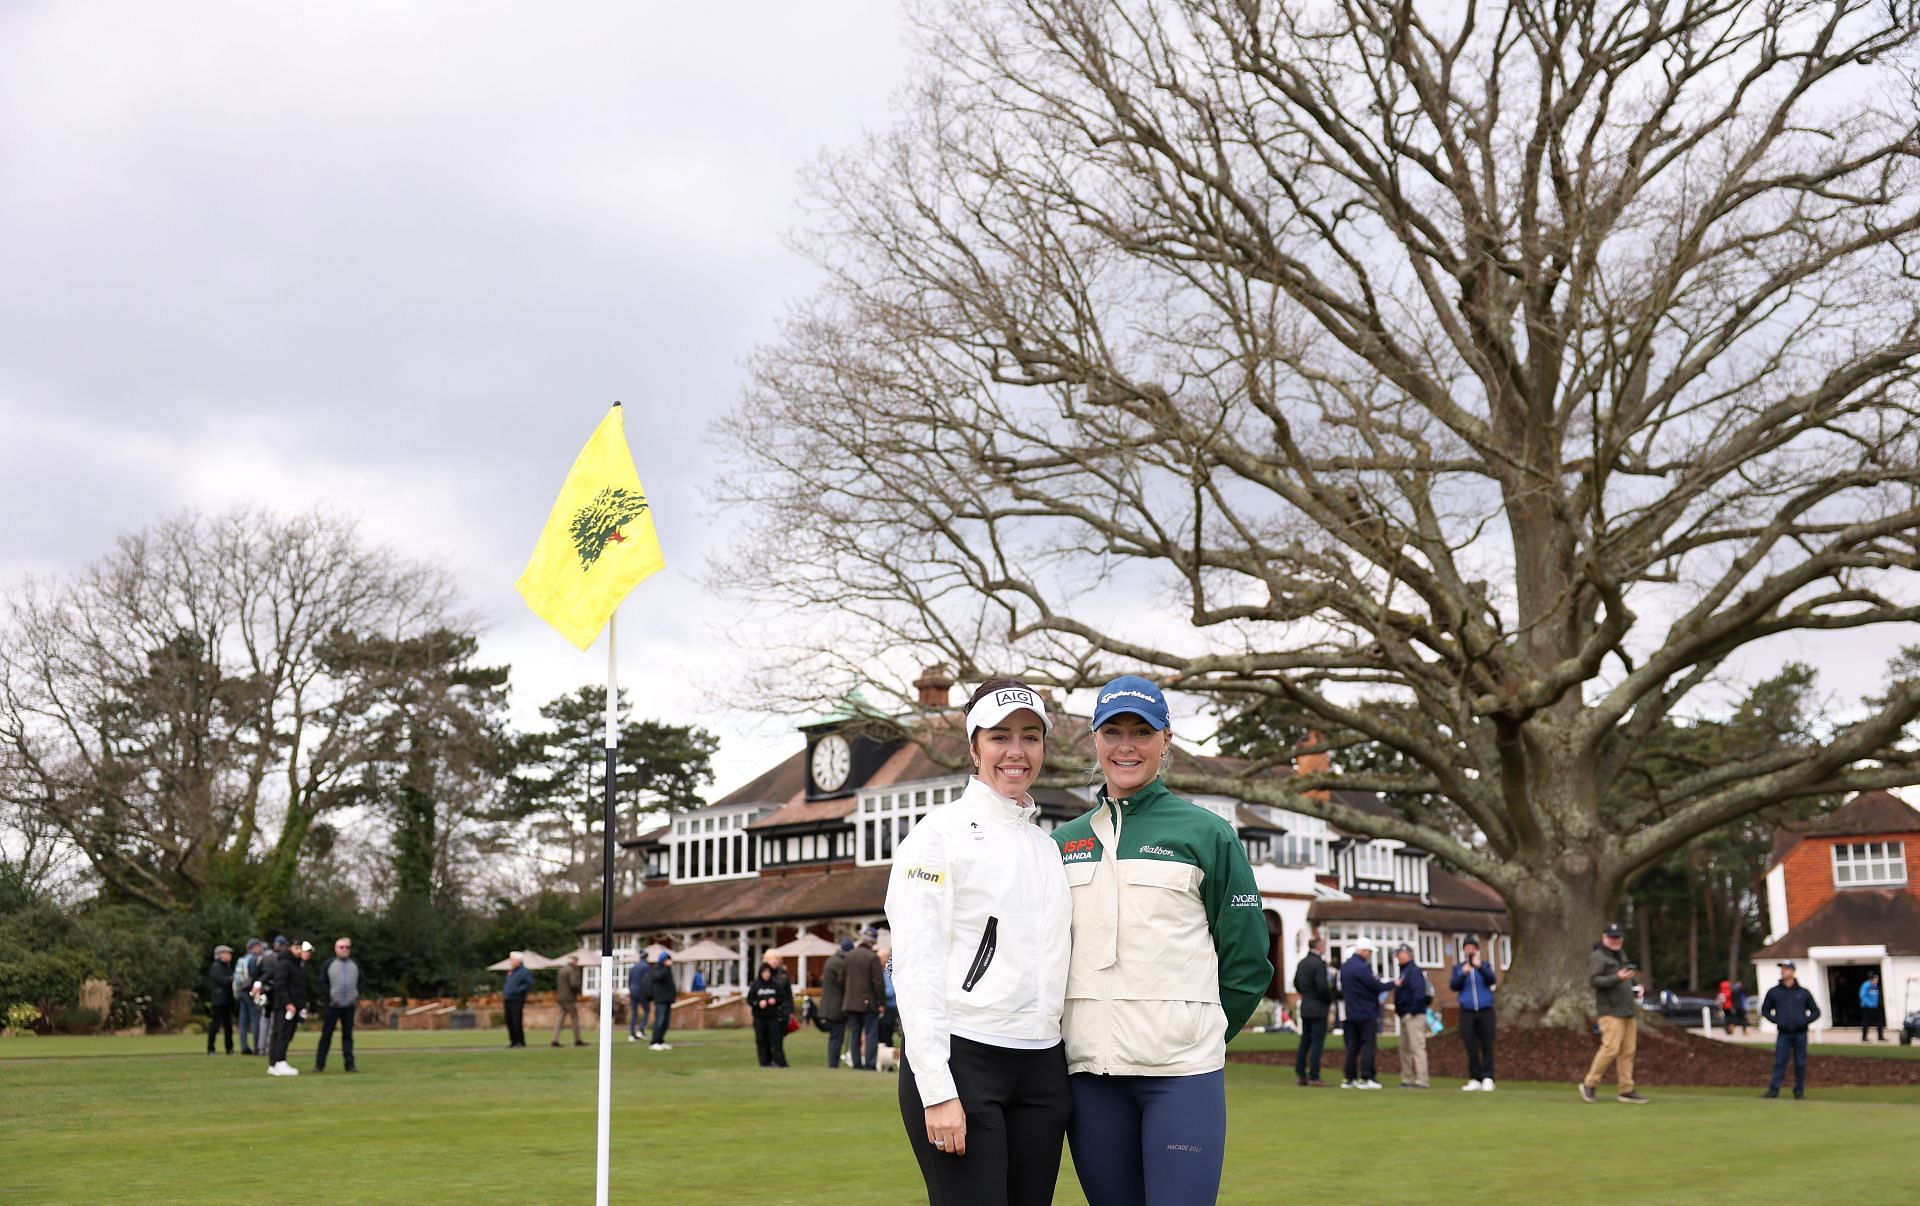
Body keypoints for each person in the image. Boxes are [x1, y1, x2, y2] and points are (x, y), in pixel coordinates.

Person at [1051, 674, 1273, 1206]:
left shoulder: (1207, 833)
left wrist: (1200, 1032)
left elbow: (1248, 963)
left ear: (1165, 740)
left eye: (1141, 732)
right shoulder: (1061, 842)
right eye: (1113, 732)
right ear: (1095, 740)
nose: (1126, 746)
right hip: (1089, 1076)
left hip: (1180, 1075)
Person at [888, 677, 1072, 1206]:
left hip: (1042, 1065)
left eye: (1031, 737)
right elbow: (916, 968)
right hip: (964, 1061)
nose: (1016, 752)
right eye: (1000, 736)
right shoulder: (935, 836)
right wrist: (937, 1089)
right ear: (974, 747)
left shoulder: (1047, 847)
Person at [1578, 923, 1649, 1104]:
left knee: (1628, 1051)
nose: (1615, 940)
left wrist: (1635, 987)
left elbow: (1626, 979)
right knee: (1610, 1048)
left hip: (1627, 1010)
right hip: (1610, 1011)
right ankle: (1589, 1083)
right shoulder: (1598, 956)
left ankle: (1626, 1089)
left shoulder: (1620, 955)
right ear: (1604, 937)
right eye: (1611, 937)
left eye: (1617, 937)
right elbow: (1595, 980)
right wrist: (1617, 977)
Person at [1762, 959, 1821, 1099]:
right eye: (1782, 968)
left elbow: (1816, 1011)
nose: (1783, 971)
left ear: (1793, 971)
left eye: (1786, 968)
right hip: (1783, 1033)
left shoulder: (1803, 992)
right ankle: (1774, 1090)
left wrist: (1804, 1021)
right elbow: (1765, 1010)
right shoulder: (1774, 992)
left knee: (1800, 1063)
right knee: (1780, 1061)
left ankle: (1799, 1091)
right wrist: (1777, 1021)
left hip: (1800, 1033)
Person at [1337, 941, 1388, 1090]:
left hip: (1350, 1012)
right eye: (1370, 952)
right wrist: (1393, 984)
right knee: (1368, 1045)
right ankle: (1367, 1077)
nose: (1370, 956)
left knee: (1352, 1046)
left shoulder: (1345, 968)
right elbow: (1375, 986)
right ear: (1364, 951)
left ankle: (1349, 1078)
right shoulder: (1363, 968)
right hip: (1366, 1012)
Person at [1451, 936, 1498, 1091]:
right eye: (1467, 947)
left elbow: (1491, 980)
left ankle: (1488, 1077)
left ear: (1477, 949)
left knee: (1487, 1044)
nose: (1470, 950)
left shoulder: (1485, 965)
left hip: (1485, 1010)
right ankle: (1474, 1077)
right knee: (1470, 1045)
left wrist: (1479, 967)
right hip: (1467, 1011)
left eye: (1472, 947)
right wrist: (1463, 973)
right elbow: (1454, 985)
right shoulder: (1458, 968)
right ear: (1464, 950)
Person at [264, 939, 312, 1077]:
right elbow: (280, 985)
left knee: (283, 1034)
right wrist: (288, 1003)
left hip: (293, 1006)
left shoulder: (296, 965)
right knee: (282, 1033)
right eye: (300, 949)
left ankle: (274, 1064)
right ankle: (279, 1062)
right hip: (286, 1006)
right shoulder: (285, 964)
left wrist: (301, 1006)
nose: (303, 952)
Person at [314, 936, 361, 1073]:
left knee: (348, 1036)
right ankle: (319, 1064)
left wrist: (357, 994)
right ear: (336, 949)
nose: (344, 949)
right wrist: (329, 995)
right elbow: (322, 981)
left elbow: (361, 981)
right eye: (342, 947)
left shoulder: (355, 964)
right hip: (332, 1006)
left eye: (347, 947)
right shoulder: (329, 964)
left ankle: (350, 1064)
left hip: (349, 1006)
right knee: (326, 1035)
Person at [1291, 936, 1334, 1087]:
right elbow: (1322, 987)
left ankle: (1301, 1074)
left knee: (1305, 1041)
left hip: (1306, 1005)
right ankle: (1314, 1076)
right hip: (1318, 1007)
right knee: (1317, 1042)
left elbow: (1296, 982)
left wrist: (1305, 993)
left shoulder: (1302, 963)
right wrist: (1330, 998)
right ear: (1319, 947)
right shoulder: (1319, 964)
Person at [844, 926, 886, 1070]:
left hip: (850, 1002)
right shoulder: (872, 957)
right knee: (871, 1034)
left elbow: (841, 978)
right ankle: (869, 1063)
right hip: (868, 1003)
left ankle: (856, 1063)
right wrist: (881, 1002)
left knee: (855, 1033)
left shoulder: (849, 956)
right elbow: (878, 983)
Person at [1391, 943, 1432, 1089]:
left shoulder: (1413, 971)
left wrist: (1411, 1011)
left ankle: (1422, 1079)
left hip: (1413, 1015)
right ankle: (1407, 1078)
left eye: (1400, 953)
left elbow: (1418, 992)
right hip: (1405, 1014)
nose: (1397, 956)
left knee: (1417, 1047)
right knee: (1404, 1048)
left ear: (1408, 954)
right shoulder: (1404, 971)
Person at [748, 959, 794, 1068]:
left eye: (768, 972)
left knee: (775, 1040)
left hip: (773, 1017)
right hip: (760, 1017)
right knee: (761, 1040)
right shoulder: (756, 985)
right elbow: (750, 999)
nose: (766, 974)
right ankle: (764, 1062)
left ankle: (778, 1061)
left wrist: (775, 1001)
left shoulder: (775, 985)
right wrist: (758, 1003)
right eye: (764, 972)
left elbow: (782, 997)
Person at [821, 939, 849, 1068]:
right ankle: (833, 1063)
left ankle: (832, 1062)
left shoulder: (831, 960)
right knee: (837, 1036)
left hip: (829, 1005)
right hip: (836, 1006)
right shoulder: (839, 963)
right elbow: (843, 982)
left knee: (833, 1036)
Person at [235, 938, 265, 1055]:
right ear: (255, 947)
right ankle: (257, 1046)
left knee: (243, 1021)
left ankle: (244, 1046)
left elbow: (237, 980)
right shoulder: (255, 959)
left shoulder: (241, 960)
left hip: (241, 992)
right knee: (256, 1019)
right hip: (251, 991)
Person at [205, 945, 237, 1056]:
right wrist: (232, 979)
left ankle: (229, 1048)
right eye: (227, 953)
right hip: (219, 1000)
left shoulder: (227, 967)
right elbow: (224, 981)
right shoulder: (216, 967)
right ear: (220, 955)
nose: (229, 955)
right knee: (215, 1025)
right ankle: (211, 1048)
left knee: (228, 1026)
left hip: (227, 1000)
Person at [642, 951, 677, 1049]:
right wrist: (666, 967)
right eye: (667, 959)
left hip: (667, 999)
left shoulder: (667, 969)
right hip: (660, 999)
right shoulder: (657, 968)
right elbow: (657, 977)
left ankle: (660, 1040)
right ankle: (654, 1042)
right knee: (659, 1021)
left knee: (665, 1022)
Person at [551, 955, 585, 1047]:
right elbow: (573, 984)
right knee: (575, 1018)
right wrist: (579, 990)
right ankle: (577, 1039)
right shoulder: (571, 970)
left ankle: (555, 1039)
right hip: (569, 998)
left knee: (560, 1018)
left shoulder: (561, 970)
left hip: (560, 997)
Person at [502, 953, 532, 1048]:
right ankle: (513, 1040)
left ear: (518, 961)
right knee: (509, 1020)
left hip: (517, 999)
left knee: (516, 1020)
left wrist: (517, 991)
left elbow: (528, 983)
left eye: (512, 959)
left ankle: (520, 1041)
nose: (511, 961)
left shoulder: (524, 972)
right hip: (508, 998)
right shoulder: (511, 972)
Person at [627, 953, 654, 1043]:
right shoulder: (646, 967)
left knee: (634, 1013)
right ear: (646, 957)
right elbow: (646, 980)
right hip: (641, 992)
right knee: (647, 1010)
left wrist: (630, 990)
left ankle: (631, 1034)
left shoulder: (634, 967)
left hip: (633, 991)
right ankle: (641, 1030)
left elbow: (629, 980)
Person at [876, 945, 899, 1051]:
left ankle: (889, 1058)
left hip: (889, 1008)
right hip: (884, 1007)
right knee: (881, 1033)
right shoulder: (881, 971)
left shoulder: (887, 972)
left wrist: (878, 994)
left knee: (886, 1034)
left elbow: (891, 991)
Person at [1860, 971, 1886, 1042]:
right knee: (1866, 1022)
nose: (1877, 980)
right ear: (1871, 979)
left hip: (1875, 1007)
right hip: (1867, 1007)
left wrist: (1878, 1004)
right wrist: (1870, 1004)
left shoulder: (1875, 986)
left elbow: (1875, 996)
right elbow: (1863, 996)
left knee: (1880, 1021)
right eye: (1875, 979)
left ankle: (1880, 1037)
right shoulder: (1866, 985)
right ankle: (1864, 1037)